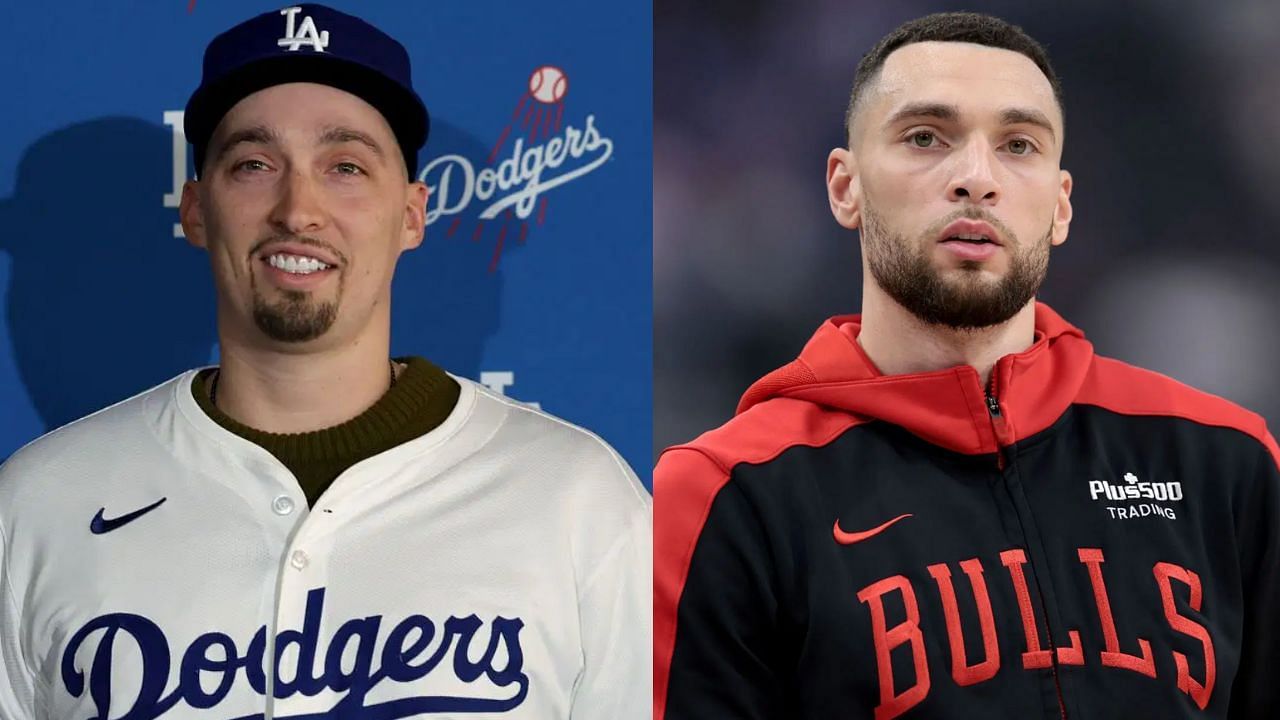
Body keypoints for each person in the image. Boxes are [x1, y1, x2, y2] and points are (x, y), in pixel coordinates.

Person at [0, 5, 650, 718]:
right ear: (194, 210)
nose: (297, 209)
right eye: (253, 165)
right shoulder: (36, 506)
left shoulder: (577, 500)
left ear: (411, 213)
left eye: (345, 166)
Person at [654, 11, 1278, 720]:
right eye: (926, 138)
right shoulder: (732, 494)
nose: (977, 179)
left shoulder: (1223, 462)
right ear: (844, 187)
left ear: (1062, 205)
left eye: (1018, 145)